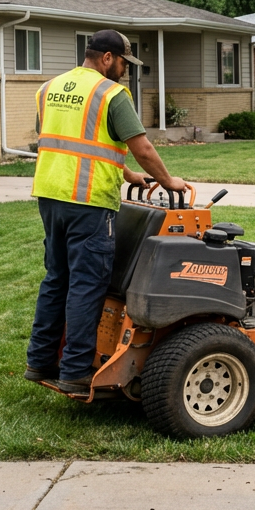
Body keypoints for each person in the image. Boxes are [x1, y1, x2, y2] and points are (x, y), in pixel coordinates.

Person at [24, 30, 186, 394]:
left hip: (50, 196)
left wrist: (126, 173)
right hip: (88, 201)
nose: (126, 73)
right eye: (125, 64)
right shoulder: (111, 94)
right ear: (108, 58)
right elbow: (141, 147)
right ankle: (75, 371)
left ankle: (40, 361)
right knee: (87, 284)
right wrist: (168, 180)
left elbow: (75, 143)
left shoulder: (50, 88)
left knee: (56, 278)